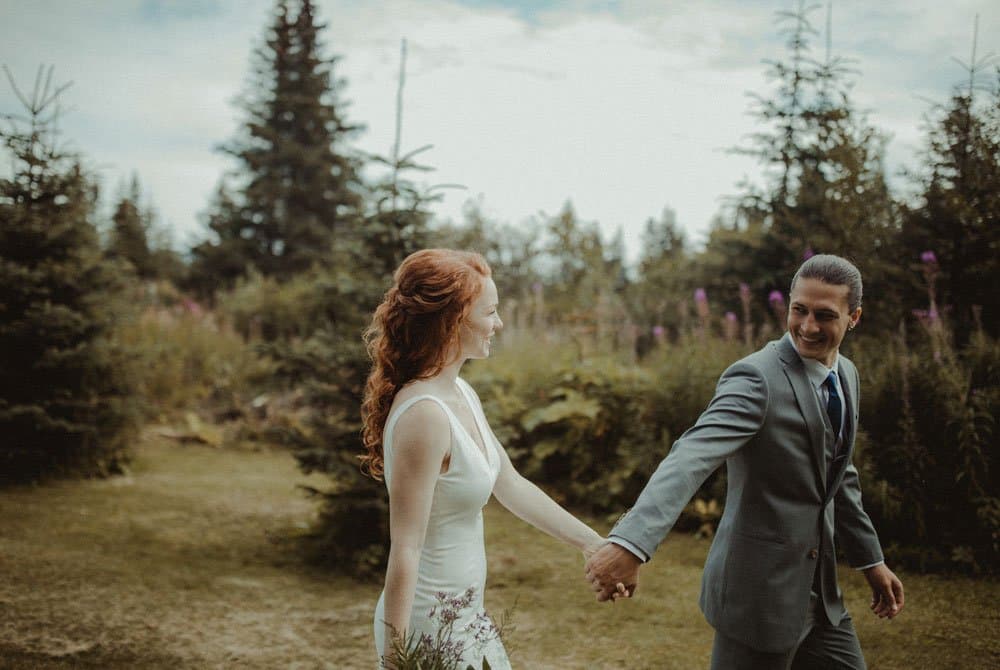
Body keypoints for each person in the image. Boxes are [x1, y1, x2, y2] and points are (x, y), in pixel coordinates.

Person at [585, 254, 905, 669]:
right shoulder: (756, 378)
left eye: (825, 316)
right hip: (758, 598)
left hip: (823, 601)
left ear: (854, 317)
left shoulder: (847, 375)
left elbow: (838, 477)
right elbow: (691, 455)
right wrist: (632, 543)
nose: (807, 327)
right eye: (799, 310)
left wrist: (871, 560)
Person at [363, 249, 607, 669]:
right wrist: (395, 660)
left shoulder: (460, 394)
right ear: (454, 320)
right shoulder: (424, 415)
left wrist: (594, 544)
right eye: (490, 311)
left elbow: (509, 483)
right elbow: (406, 548)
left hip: (467, 620)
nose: (499, 323)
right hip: (427, 627)